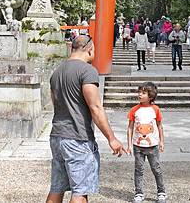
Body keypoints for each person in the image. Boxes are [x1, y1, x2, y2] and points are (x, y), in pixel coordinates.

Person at [47, 35, 126, 203]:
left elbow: (55, 103)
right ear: (89, 49)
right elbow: (95, 108)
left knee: (57, 188)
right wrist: (111, 138)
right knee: (80, 192)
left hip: (57, 135)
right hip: (78, 138)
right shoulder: (87, 71)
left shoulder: (57, 72)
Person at [127, 82, 166, 203]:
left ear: (151, 96)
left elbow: (160, 126)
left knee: (156, 169)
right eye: (139, 92)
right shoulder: (134, 110)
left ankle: (161, 192)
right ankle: (138, 193)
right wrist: (128, 145)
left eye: (143, 93)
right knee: (138, 170)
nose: (139, 94)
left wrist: (161, 141)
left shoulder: (155, 109)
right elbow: (130, 128)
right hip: (138, 147)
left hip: (152, 146)